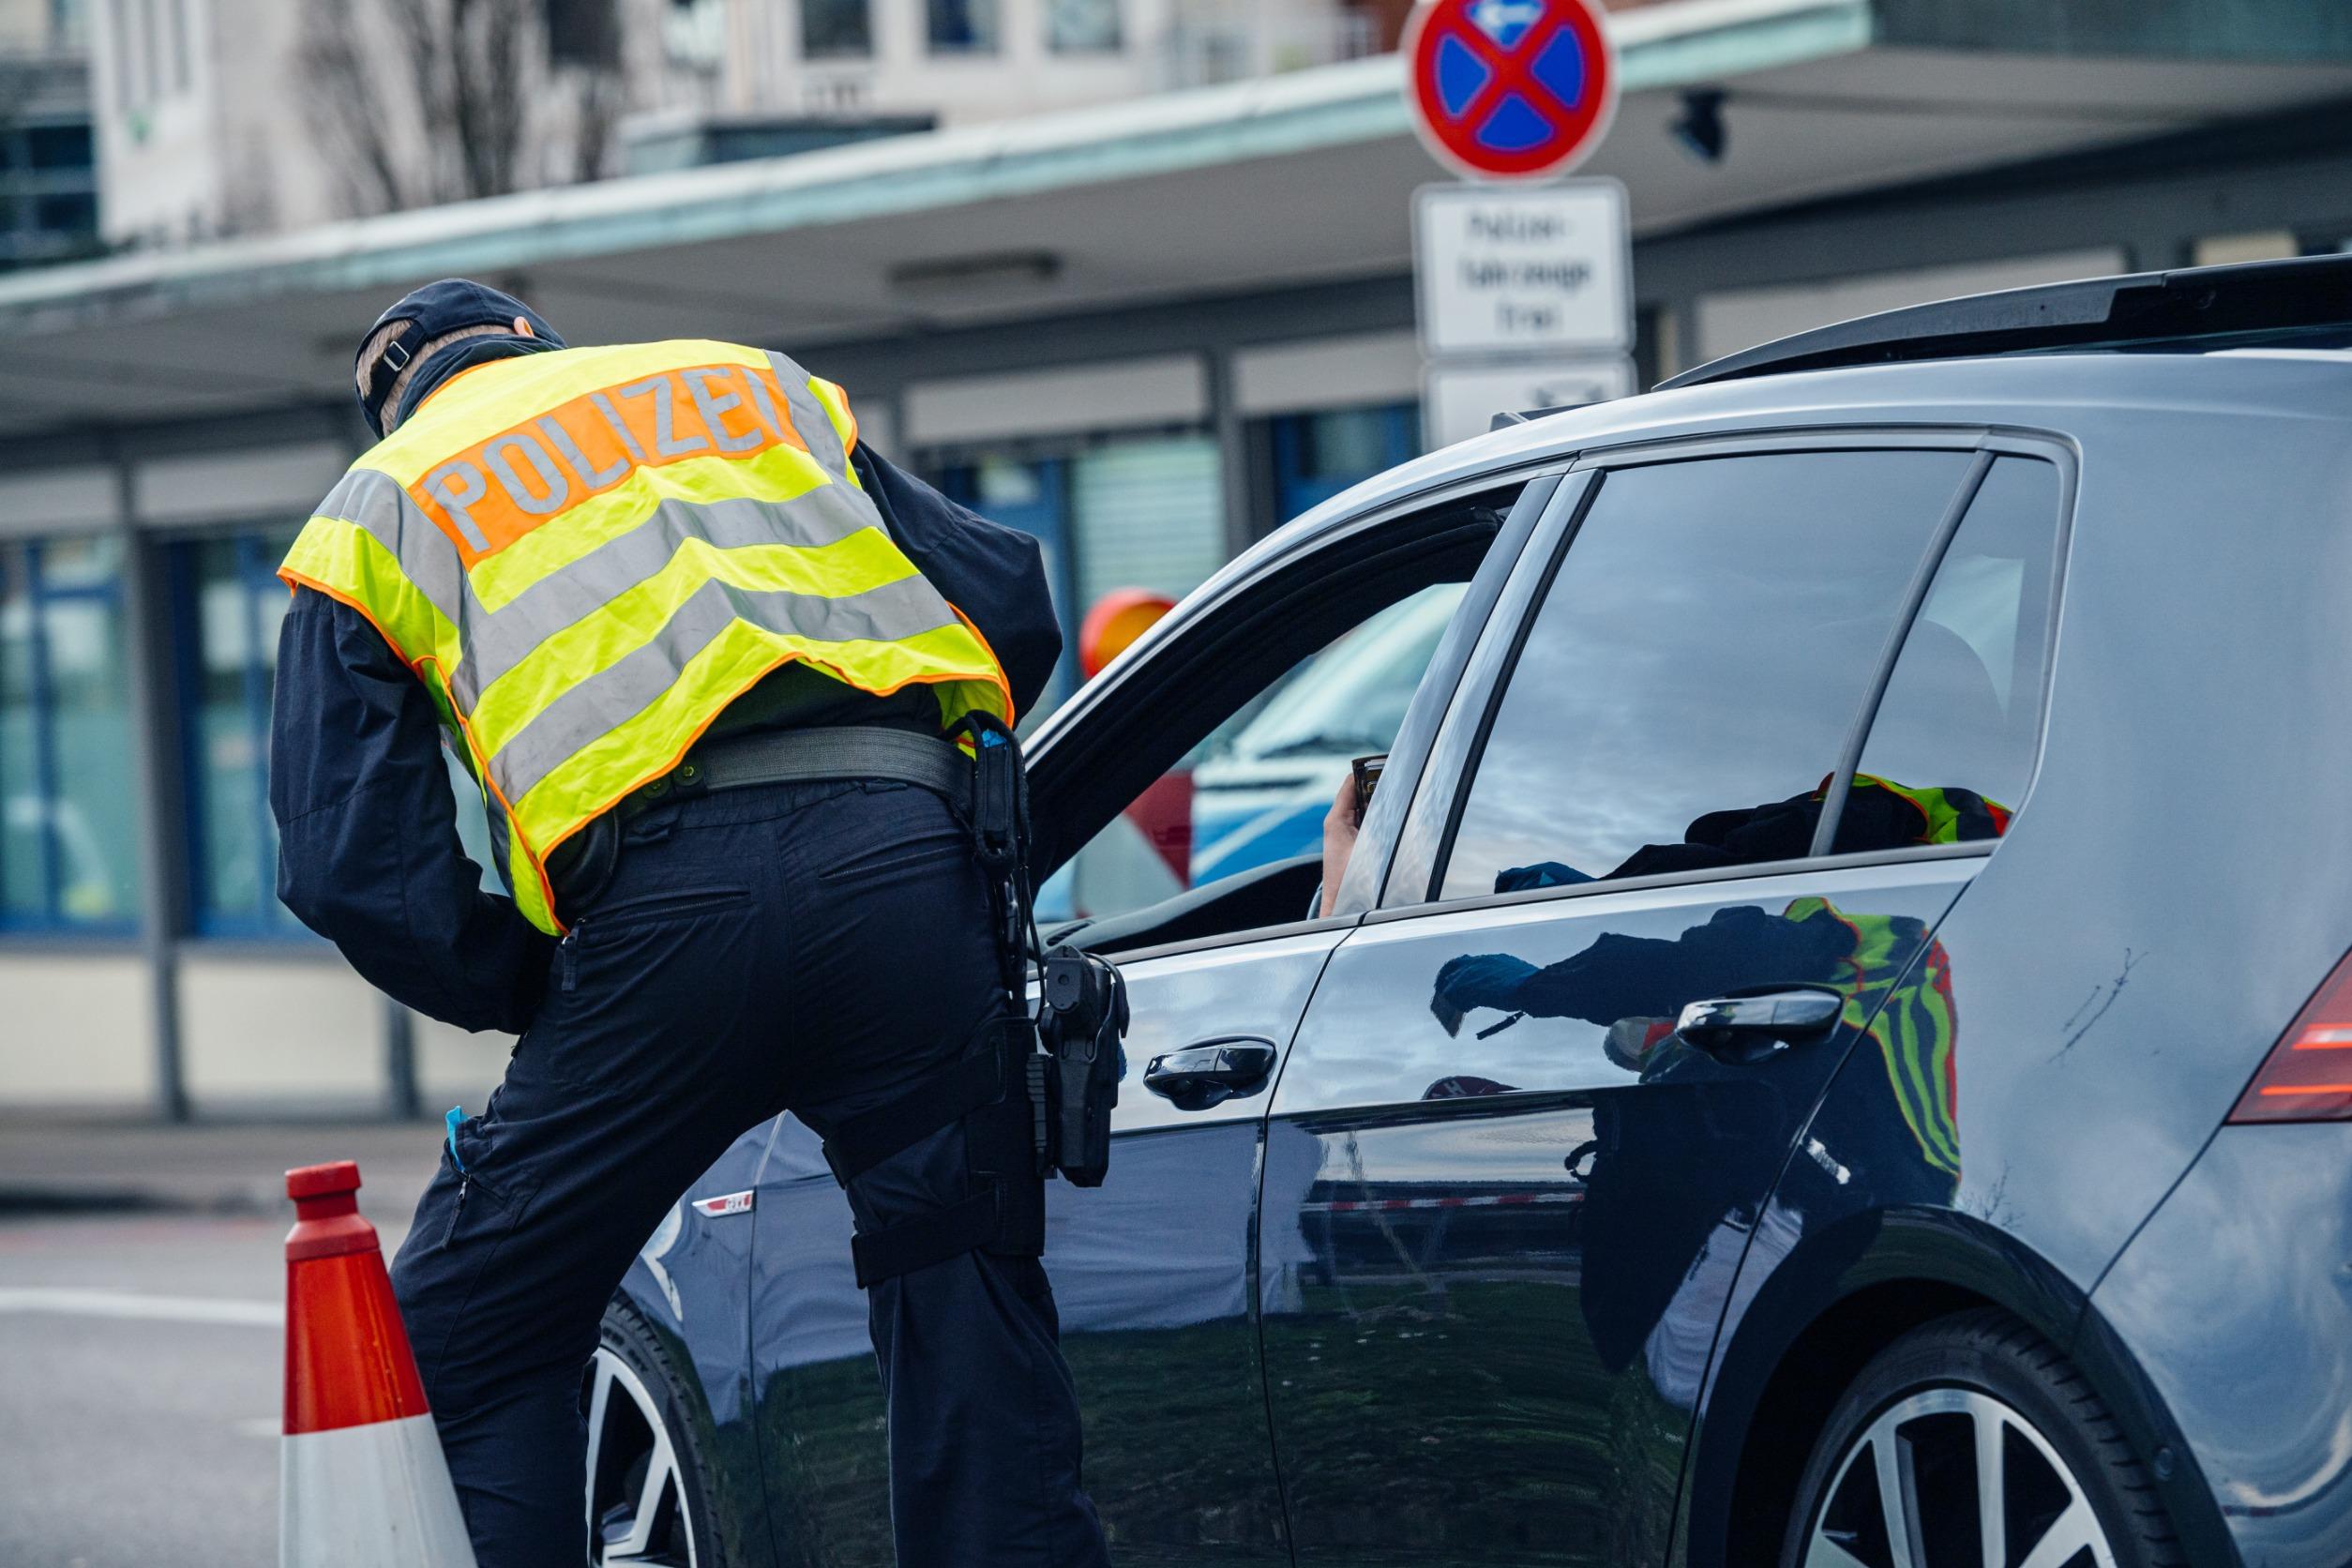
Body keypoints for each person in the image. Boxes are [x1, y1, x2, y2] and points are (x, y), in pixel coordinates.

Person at [268, 279, 1109, 1568]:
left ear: (389, 403)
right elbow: (1008, 602)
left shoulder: (379, 501)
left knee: (474, 1332)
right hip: (905, 878)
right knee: (961, 1289)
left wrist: (534, 986)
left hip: (663, 924)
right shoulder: (745, 385)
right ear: (534, 344)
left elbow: (348, 863)